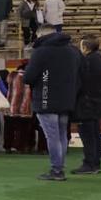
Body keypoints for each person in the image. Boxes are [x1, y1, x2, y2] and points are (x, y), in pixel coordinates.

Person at [23, 27, 83, 181]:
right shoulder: (73, 51)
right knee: (62, 134)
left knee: (52, 136)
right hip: (67, 99)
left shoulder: (41, 52)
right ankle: (59, 167)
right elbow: (82, 74)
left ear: (42, 34)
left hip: (46, 99)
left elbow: (28, 77)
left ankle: (57, 169)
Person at [73, 35, 101, 175]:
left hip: (86, 103)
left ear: (85, 47)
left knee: (88, 135)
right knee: (95, 133)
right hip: (98, 101)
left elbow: (81, 82)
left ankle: (89, 163)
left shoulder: (87, 61)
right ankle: (96, 163)